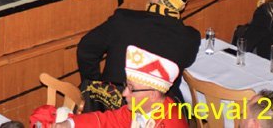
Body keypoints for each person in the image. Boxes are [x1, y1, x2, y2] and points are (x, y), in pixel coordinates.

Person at [76, 0, 200, 101]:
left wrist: (96, 86)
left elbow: (86, 48)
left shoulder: (123, 20)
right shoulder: (190, 38)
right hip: (158, 109)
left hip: (113, 103)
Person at [54, 45, 188, 128]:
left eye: (131, 89)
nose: (124, 93)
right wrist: (70, 124)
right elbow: (108, 120)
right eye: (126, 86)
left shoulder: (171, 123)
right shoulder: (140, 108)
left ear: (153, 95)